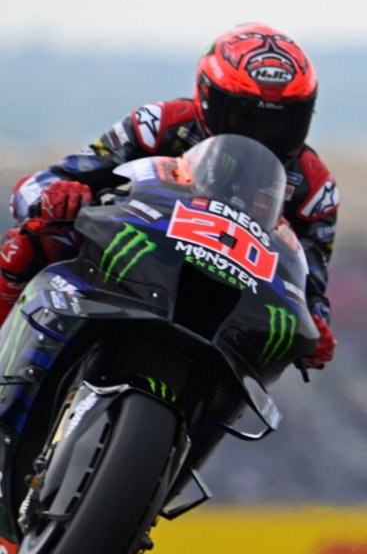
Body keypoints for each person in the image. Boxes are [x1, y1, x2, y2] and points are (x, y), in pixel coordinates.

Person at [3, 23, 338, 369]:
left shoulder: (314, 188)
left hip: (234, 303)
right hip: (131, 259)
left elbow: (311, 284)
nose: (263, 133)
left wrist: (316, 328)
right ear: (210, 98)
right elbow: (39, 185)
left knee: (281, 341)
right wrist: (54, 197)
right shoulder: (159, 124)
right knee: (25, 243)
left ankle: (212, 412)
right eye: (247, 116)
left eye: (282, 121)